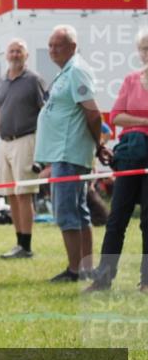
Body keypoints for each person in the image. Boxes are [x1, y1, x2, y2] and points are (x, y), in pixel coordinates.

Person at [34, 25, 101, 283]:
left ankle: (76, 270)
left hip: (69, 153)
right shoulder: (67, 72)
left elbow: (93, 113)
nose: (52, 50)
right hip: (64, 152)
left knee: (66, 212)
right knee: (78, 210)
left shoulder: (76, 71)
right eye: (50, 45)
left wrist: (98, 143)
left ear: (72, 47)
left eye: (57, 45)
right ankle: (84, 268)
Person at [86, 30, 148, 294]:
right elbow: (115, 117)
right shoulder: (131, 80)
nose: (147, 52)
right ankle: (104, 278)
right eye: (144, 47)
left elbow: (123, 116)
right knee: (116, 219)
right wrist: (144, 121)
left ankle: (146, 281)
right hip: (130, 155)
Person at [0, 39, 47, 259]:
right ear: (6, 55)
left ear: (26, 56)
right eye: (12, 51)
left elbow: (44, 112)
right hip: (5, 142)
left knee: (24, 193)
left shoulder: (34, 80)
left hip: (26, 139)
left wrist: (44, 144)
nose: (15, 54)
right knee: (11, 194)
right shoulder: (2, 81)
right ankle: (19, 243)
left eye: (19, 51)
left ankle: (26, 246)